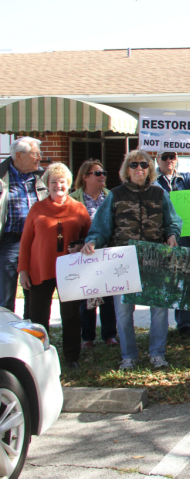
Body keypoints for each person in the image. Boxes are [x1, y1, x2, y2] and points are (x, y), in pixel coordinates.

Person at [82, 150, 182, 370]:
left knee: (159, 310)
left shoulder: (159, 194)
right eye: (134, 165)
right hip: (122, 261)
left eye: (144, 166)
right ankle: (128, 356)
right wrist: (93, 242)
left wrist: (172, 235)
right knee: (124, 312)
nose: (139, 169)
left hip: (154, 258)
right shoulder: (115, 195)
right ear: (126, 169)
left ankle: (157, 354)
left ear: (150, 170)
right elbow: (101, 227)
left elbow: (173, 221)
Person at [18, 163, 91, 368]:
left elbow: (90, 237)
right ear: (47, 185)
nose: (58, 186)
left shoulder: (78, 208)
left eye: (62, 182)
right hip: (40, 268)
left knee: (70, 315)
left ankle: (71, 358)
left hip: (70, 270)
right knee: (38, 315)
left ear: (68, 184)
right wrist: (23, 270)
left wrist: (82, 245)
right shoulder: (37, 208)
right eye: (53, 182)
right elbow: (25, 242)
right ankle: (38, 357)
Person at [154, 148, 190, 338]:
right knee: (166, 282)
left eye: (172, 157)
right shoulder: (154, 182)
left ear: (176, 159)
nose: (168, 160)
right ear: (157, 159)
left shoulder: (187, 178)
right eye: (164, 157)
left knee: (186, 280)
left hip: (186, 237)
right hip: (162, 237)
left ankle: (184, 325)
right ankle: (160, 326)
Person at [70, 159, 117, 348]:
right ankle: (87, 337)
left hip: (106, 253)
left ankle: (109, 335)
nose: (102, 176)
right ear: (85, 177)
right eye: (97, 173)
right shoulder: (73, 199)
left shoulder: (110, 196)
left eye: (104, 173)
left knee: (107, 296)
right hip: (84, 253)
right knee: (87, 297)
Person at [0, 136, 47, 312]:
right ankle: (5, 335)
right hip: (9, 242)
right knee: (5, 294)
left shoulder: (42, 177)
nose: (39, 158)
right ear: (18, 156)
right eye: (35, 154)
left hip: (36, 242)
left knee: (34, 293)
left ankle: (31, 333)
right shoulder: (1, 177)